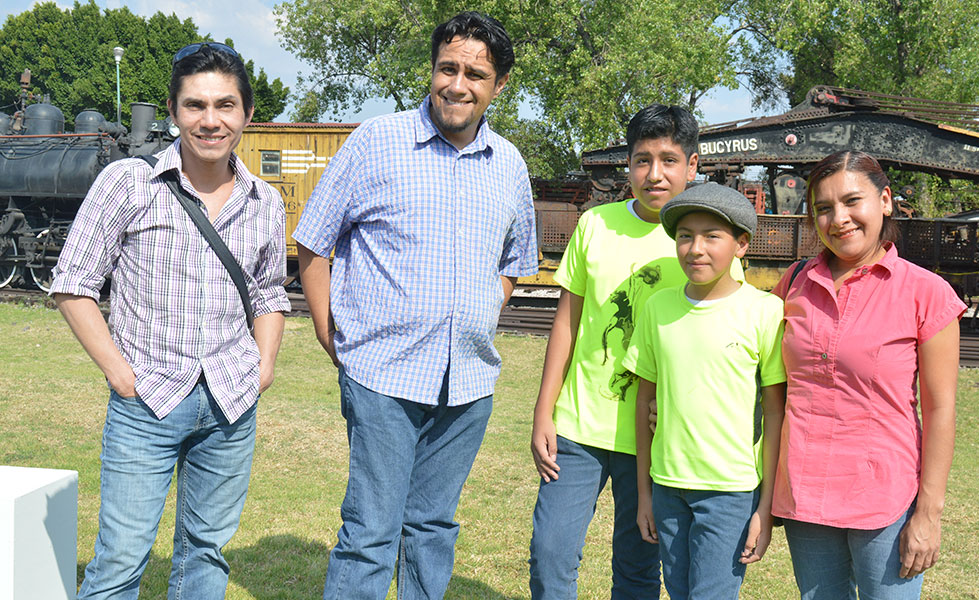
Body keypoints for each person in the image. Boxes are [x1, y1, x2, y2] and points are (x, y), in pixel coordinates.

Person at [292, 11, 537, 600]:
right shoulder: (377, 141)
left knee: (433, 528)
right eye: (447, 68)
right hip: (382, 376)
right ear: (431, 70)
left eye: (475, 74)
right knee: (371, 531)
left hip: (468, 383)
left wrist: (474, 314)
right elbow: (312, 241)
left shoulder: (509, 164)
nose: (458, 84)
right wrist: (333, 336)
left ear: (498, 86)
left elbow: (514, 264)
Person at [50, 42, 289, 599]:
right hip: (147, 402)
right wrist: (118, 373)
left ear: (247, 114)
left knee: (206, 554)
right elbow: (72, 284)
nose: (211, 121)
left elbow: (270, 293)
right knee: (120, 561)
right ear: (174, 111)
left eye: (225, 106)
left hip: (230, 403)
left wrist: (264, 367)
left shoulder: (265, 201)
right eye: (195, 106)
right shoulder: (129, 184)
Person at [529, 104, 744, 598]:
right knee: (550, 556)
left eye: (669, 160)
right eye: (642, 160)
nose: (655, 174)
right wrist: (545, 410)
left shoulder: (706, 241)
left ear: (693, 167)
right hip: (579, 428)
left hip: (655, 437)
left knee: (638, 568)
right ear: (627, 166)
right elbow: (566, 321)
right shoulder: (595, 226)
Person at [772, 150, 965, 599]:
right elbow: (757, 376)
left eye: (852, 201)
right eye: (823, 208)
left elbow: (941, 410)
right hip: (805, 492)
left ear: (886, 201)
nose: (838, 218)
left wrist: (929, 513)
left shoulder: (925, 293)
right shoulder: (794, 284)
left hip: (885, 499)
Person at [624, 182, 786, 600]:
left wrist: (764, 508)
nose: (696, 248)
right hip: (667, 486)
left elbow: (774, 415)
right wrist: (645, 494)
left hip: (730, 491)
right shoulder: (657, 307)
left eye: (712, 236)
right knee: (678, 593)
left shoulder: (765, 312)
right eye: (684, 236)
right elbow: (644, 402)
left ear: (741, 244)